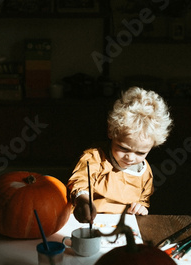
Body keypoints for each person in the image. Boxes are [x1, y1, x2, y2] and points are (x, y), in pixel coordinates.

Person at [67, 86, 172, 224]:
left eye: (141, 153)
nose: (131, 157)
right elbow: (79, 183)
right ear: (111, 132)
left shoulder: (144, 172)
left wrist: (141, 208)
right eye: (123, 148)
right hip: (89, 221)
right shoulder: (95, 158)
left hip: (123, 227)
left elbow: (143, 200)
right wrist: (83, 200)